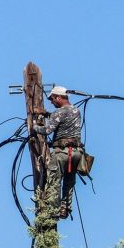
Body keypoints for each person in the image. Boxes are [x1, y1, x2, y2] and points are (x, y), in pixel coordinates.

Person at [37, 84, 83, 220]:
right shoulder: (76, 111)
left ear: (58, 97)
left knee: (54, 180)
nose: (51, 102)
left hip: (61, 153)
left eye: (52, 99)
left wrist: (34, 127)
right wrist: (47, 113)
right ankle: (65, 208)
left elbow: (47, 130)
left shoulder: (59, 113)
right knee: (69, 182)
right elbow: (64, 116)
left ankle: (53, 211)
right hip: (76, 153)